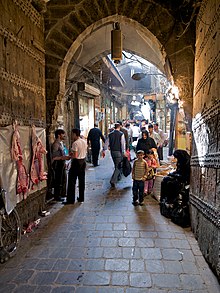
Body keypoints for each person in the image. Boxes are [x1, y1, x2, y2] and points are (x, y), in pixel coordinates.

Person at [64, 128, 87, 204]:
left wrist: (69, 157)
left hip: (76, 163)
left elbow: (76, 155)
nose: (72, 136)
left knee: (72, 181)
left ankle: (70, 200)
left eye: (72, 134)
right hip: (83, 162)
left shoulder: (75, 143)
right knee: (81, 180)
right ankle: (81, 198)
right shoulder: (84, 141)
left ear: (74, 134)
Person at [51, 129, 70, 201]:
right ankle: (56, 196)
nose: (64, 136)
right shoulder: (56, 144)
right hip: (57, 164)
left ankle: (61, 194)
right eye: (63, 134)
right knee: (57, 180)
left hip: (61, 163)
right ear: (59, 135)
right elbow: (54, 157)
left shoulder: (60, 143)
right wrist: (63, 158)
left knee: (62, 179)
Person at [108, 123, 126, 188]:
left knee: (116, 165)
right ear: (119, 127)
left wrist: (104, 150)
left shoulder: (110, 134)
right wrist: (123, 152)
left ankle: (117, 177)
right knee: (118, 167)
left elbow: (107, 142)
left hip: (112, 152)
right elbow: (122, 144)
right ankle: (113, 180)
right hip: (118, 152)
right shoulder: (121, 134)